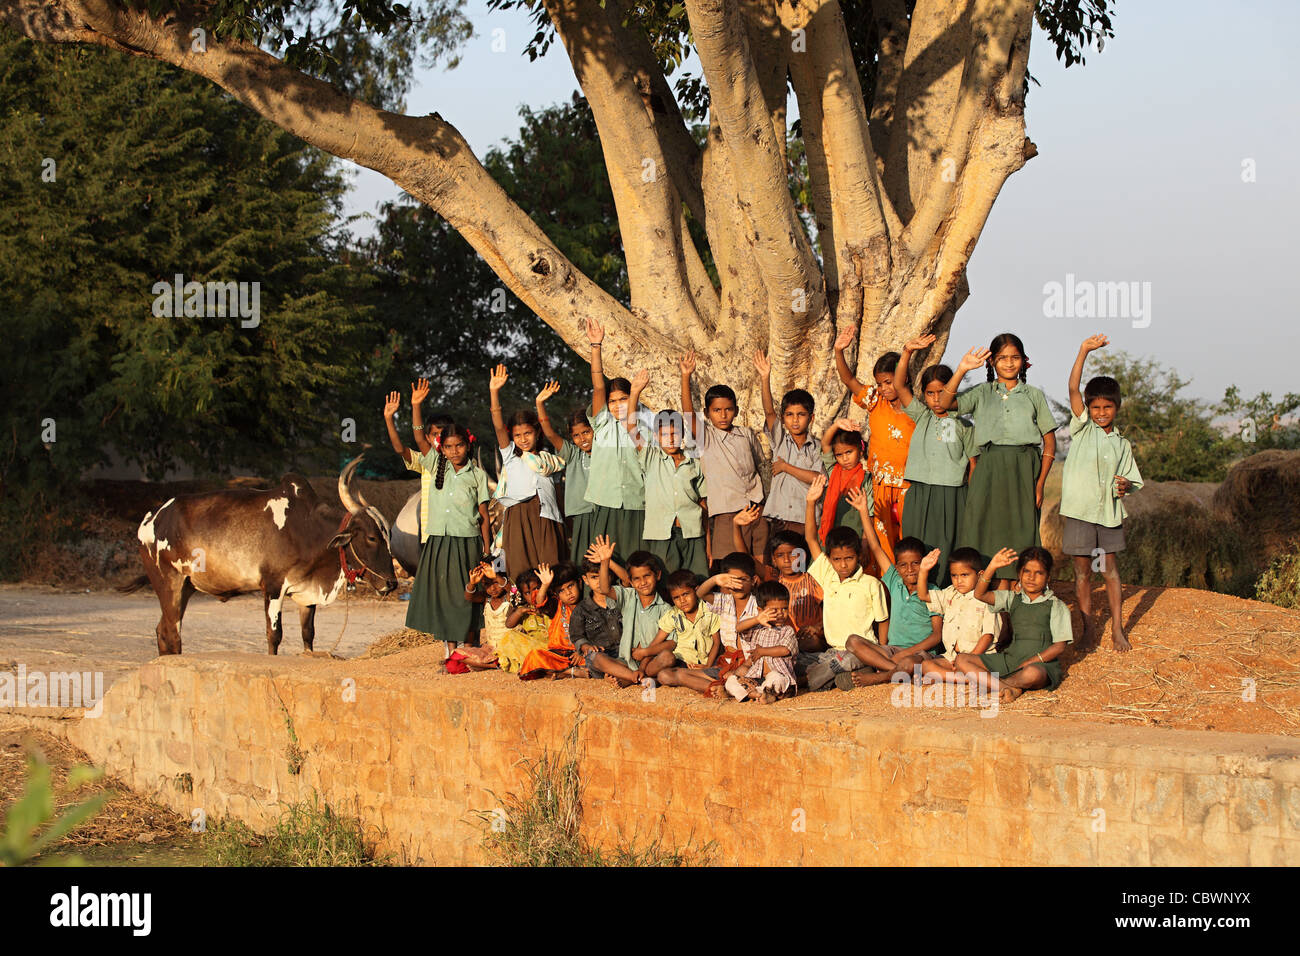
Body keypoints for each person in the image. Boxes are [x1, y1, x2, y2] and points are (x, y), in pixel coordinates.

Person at [939, 333, 1058, 584]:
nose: (1009, 363)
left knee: (1020, 530)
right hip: (989, 467)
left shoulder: (1033, 395)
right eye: (1002, 358)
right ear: (992, 362)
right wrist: (961, 368)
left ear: (1024, 361)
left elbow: (1049, 440)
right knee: (982, 527)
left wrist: (1039, 484)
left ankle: (1014, 596)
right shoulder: (982, 392)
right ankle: (985, 591)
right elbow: (945, 402)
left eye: (1015, 357)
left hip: (1024, 467)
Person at [384, 395, 490, 666]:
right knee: (444, 596)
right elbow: (412, 444)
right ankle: (449, 651)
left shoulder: (476, 475)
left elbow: (483, 515)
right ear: (441, 448)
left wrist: (487, 548)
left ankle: (470, 649)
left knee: (467, 594)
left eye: (459, 446)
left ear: (467, 445)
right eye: (449, 447)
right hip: (438, 542)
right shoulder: (434, 464)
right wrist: (402, 413)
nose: (454, 451)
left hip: (467, 542)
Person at [1062, 334, 1144, 652]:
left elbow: (1131, 481)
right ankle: (1086, 630)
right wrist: (1083, 350)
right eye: (1095, 407)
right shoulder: (1083, 428)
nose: (1100, 412)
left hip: (1108, 514)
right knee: (1082, 573)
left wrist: (1125, 486)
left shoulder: (1122, 443)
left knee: (1109, 570)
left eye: (1106, 407)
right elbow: (1072, 388)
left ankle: (1118, 630)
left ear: (1117, 407)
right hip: (1080, 512)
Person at [894, 334, 977, 588]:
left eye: (942, 392)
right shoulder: (922, 416)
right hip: (919, 492)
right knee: (915, 547)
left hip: (951, 495)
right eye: (930, 393)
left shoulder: (963, 424)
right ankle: (916, 594)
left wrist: (971, 498)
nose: (936, 399)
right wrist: (907, 351)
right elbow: (899, 386)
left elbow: (974, 464)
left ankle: (942, 597)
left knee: (945, 547)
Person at [840, 488, 943, 688]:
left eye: (916, 563)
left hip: (919, 653)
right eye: (903, 565)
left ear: (925, 563)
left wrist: (906, 652)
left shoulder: (933, 590)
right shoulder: (894, 580)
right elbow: (876, 546)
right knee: (852, 641)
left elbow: (937, 636)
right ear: (897, 568)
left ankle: (881, 676)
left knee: (909, 662)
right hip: (891, 651)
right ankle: (895, 672)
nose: (910, 569)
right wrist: (863, 510)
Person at [834, 326, 916, 567]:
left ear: (904, 378)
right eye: (880, 383)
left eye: (889, 382)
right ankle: (887, 591)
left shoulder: (917, 410)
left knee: (908, 541)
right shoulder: (875, 402)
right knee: (882, 543)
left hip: (908, 487)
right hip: (880, 487)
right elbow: (849, 380)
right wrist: (839, 351)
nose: (883, 388)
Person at [798, 476, 889, 691]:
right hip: (831, 650)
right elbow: (811, 539)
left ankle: (805, 683)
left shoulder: (870, 584)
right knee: (798, 659)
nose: (843, 565)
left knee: (844, 663)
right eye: (837, 559)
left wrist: (881, 655)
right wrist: (810, 502)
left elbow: (882, 621)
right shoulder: (828, 576)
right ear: (829, 559)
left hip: (860, 651)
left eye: (849, 558)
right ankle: (826, 677)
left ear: (858, 556)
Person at [680, 351, 767, 562]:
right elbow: (688, 414)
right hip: (727, 514)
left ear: (736, 410)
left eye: (728, 409)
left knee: (761, 565)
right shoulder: (706, 437)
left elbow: (760, 467)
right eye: (717, 410)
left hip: (756, 508)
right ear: (708, 413)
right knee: (732, 567)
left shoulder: (746, 434)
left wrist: (766, 505)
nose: (723, 414)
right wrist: (685, 377)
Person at [956, 547, 1074, 701]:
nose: (1031, 577)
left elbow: (1059, 646)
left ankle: (999, 684)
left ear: (1048, 578)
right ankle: (1010, 688)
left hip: (1039, 664)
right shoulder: (1012, 598)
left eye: (1039, 573)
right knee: (962, 660)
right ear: (1019, 574)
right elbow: (980, 594)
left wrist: (1032, 661)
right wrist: (992, 567)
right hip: (1010, 659)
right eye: (1027, 572)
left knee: (1032, 674)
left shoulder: (1056, 606)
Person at [626, 371, 710, 578]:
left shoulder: (694, 464)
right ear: (656, 436)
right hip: (661, 534)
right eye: (664, 434)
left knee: (697, 580)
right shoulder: (651, 457)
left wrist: (708, 544)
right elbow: (631, 428)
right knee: (666, 582)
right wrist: (634, 392)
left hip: (693, 533)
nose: (670, 439)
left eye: (675, 434)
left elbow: (703, 505)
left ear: (682, 435)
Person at [488, 364, 565, 578]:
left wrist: (540, 404)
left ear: (537, 432)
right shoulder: (512, 456)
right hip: (519, 518)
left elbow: (558, 493)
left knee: (551, 571)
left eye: (528, 433)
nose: (523, 439)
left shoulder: (549, 460)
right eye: (517, 435)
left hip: (547, 516)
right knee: (521, 573)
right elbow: (497, 425)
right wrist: (494, 392)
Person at [753, 350, 824, 537]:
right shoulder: (780, 442)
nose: (795, 420)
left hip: (805, 521)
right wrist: (764, 378)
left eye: (801, 415)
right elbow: (769, 412)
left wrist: (785, 467)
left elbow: (817, 478)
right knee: (779, 563)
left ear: (811, 418)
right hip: (779, 519)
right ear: (783, 418)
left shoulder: (818, 448)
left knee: (801, 563)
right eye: (789, 415)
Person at [585, 537, 672, 687]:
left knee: (668, 658)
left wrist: (646, 652)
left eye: (647, 576)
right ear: (631, 582)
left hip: (651, 662)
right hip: (625, 663)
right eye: (637, 579)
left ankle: (632, 678)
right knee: (594, 658)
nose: (643, 582)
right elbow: (605, 589)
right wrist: (605, 561)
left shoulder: (666, 609)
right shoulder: (629, 596)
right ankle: (633, 676)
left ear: (657, 575)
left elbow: (671, 643)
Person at [732, 509, 823, 651]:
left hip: (809, 639)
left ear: (803, 556)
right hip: (780, 641)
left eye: (793, 554)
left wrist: (817, 627)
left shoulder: (813, 580)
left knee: (814, 642)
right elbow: (745, 557)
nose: (787, 560)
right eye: (780, 555)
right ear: (774, 560)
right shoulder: (773, 577)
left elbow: (832, 609)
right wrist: (736, 526)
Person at [914, 547, 999, 682]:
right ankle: (963, 679)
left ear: (980, 575)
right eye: (954, 576)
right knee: (926, 665)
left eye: (964, 575)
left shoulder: (987, 599)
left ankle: (964, 676)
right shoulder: (950, 594)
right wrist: (923, 570)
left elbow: (988, 635)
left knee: (970, 667)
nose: (959, 581)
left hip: (979, 658)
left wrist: (967, 660)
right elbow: (923, 595)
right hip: (951, 657)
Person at [536, 381, 597, 564]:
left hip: (603, 511)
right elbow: (550, 433)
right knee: (583, 560)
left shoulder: (605, 451)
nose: (582, 439)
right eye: (576, 436)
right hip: (580, 513)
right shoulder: (572, 454)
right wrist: (540, 404)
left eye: (586, 432)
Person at [726, 580, 799, 704]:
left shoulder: (787, 630)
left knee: (775, 679)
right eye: (774, 610)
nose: (781, 614)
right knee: (731, 681)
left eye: (784, 609)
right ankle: (756, 693)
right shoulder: (757, 630)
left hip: (779, 675)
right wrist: (757, 619)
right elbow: (739, 628)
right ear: (761, 610)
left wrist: (762, 651)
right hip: (756, 678)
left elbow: (785, 650)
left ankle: (766, 693)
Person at [519, 563, 588, 679]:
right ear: (556, 594)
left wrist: (580, 652)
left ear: (579, 583)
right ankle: (569, 672)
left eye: (570, 586)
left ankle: (560, 673)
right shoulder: (557, 605)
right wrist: (545, 585)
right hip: (558, 655)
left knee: (596, 658)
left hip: (580, 654)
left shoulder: (588, 605)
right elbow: (540, 602)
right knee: (534, 656)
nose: (568, 593)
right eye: (561, 590)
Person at [817, 418, 872, 544]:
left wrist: (864, 542)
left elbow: (870, 514)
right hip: (830, 536)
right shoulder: (833, 470)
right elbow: (825, 444)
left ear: (860, 450)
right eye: (839, 455)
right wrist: (836, 425)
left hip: (854, 538)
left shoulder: (867, 479)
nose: (845, 458)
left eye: (849, 452)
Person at [495, 566, 558, 674]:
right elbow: (509, 624)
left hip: (552, 649)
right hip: (532, 649)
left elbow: (544, 605)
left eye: (536, 589)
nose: (533, 594)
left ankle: (535, 666)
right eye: (527, 593)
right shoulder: (524, 610)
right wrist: (519, 612)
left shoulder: (551, 604)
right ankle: (529, 665)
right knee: (509, 636)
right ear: (523, 595)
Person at [696, 552, 762, 652]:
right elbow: (700, 593)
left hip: (752, 662)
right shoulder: (725, 602)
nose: (737, 585)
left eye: (743, 579)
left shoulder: (759, 605)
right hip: (729, 660)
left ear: (753, 580)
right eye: (732, 580)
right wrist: (715, 579)